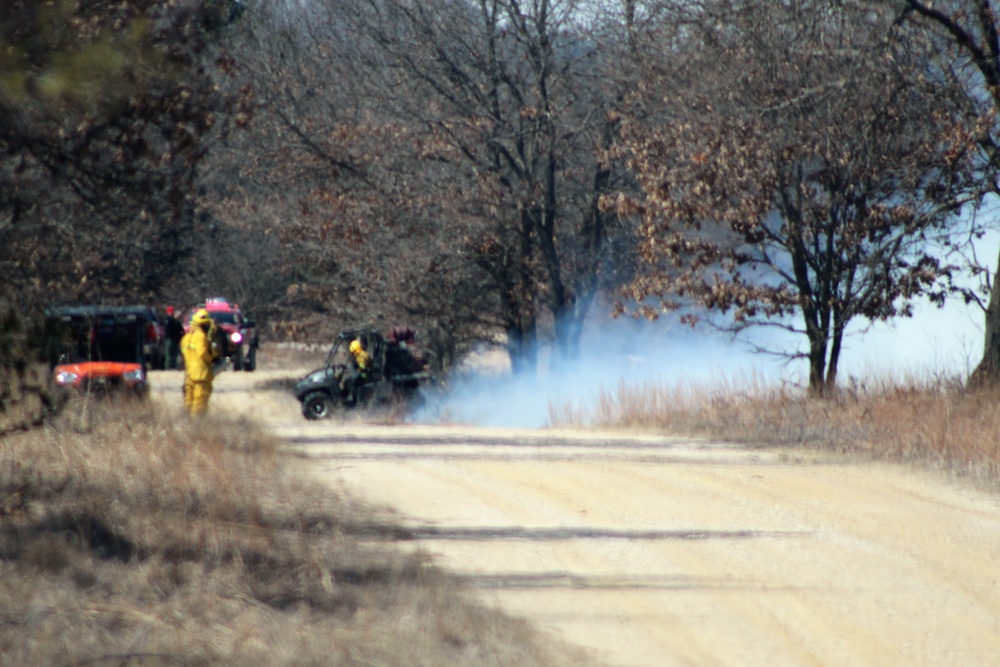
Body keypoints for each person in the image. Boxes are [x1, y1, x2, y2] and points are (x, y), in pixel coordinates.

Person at [180, 309, 219, 416]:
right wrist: (212, 357)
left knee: (189, 401)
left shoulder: (186, 337)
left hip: (189, 375)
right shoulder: (201, 336)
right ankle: (197, 426)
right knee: (200, 403)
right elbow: (203, 353)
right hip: (201, 375)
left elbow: (184, 355)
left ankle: (186, 424)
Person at [163, 306, 184, 370]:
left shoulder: (175, 321)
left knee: (174, 354)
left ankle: (172, 366)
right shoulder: (169, 320)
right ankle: (168, 367)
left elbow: (181, 330)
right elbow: (168, 331)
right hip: (170, 339)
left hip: (175, 340)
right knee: (169, 354)